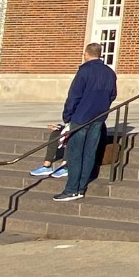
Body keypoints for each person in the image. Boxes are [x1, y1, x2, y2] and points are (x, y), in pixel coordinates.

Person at [52, 42, 117, 202]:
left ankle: (72, 189)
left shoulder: (84, 71)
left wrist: (67, 116)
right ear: (100, 54)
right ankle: (80, 187)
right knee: (89, 153)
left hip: (81, 117)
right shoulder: (109, 73)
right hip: (98, 117)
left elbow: (74, 96)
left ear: (87, 54)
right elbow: (113, 95)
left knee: (75, 154)